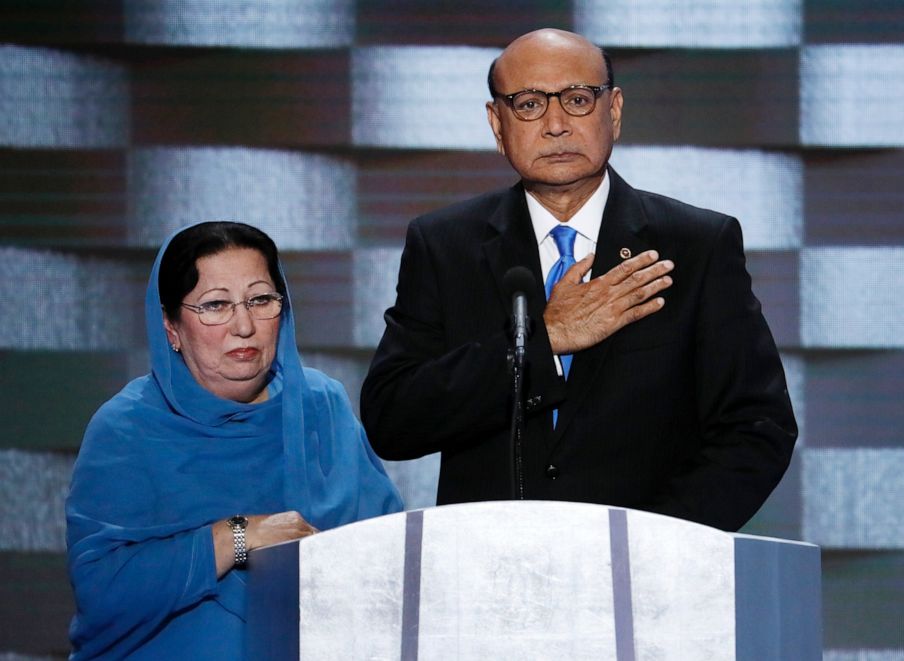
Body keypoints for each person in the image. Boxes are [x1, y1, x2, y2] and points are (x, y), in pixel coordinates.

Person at [360, 28, 797, 532]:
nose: (556, 125)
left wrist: (656, 545)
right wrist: (542, 343)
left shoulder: (695, 244)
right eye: (528, 104)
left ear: (612, 111)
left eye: (576, 99)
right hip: (487, 574)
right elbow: (394, 420)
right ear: (496, 124)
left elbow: (757, 427)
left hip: (650, 575)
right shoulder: (444, 245)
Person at [65, 221, 403, 660]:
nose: (244, 325)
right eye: (215, 305)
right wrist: (237, 537)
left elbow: (389, 550)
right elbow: (102, 591)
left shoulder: (320, 405)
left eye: (260, 299)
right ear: (170, 326)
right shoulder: (127, 428)